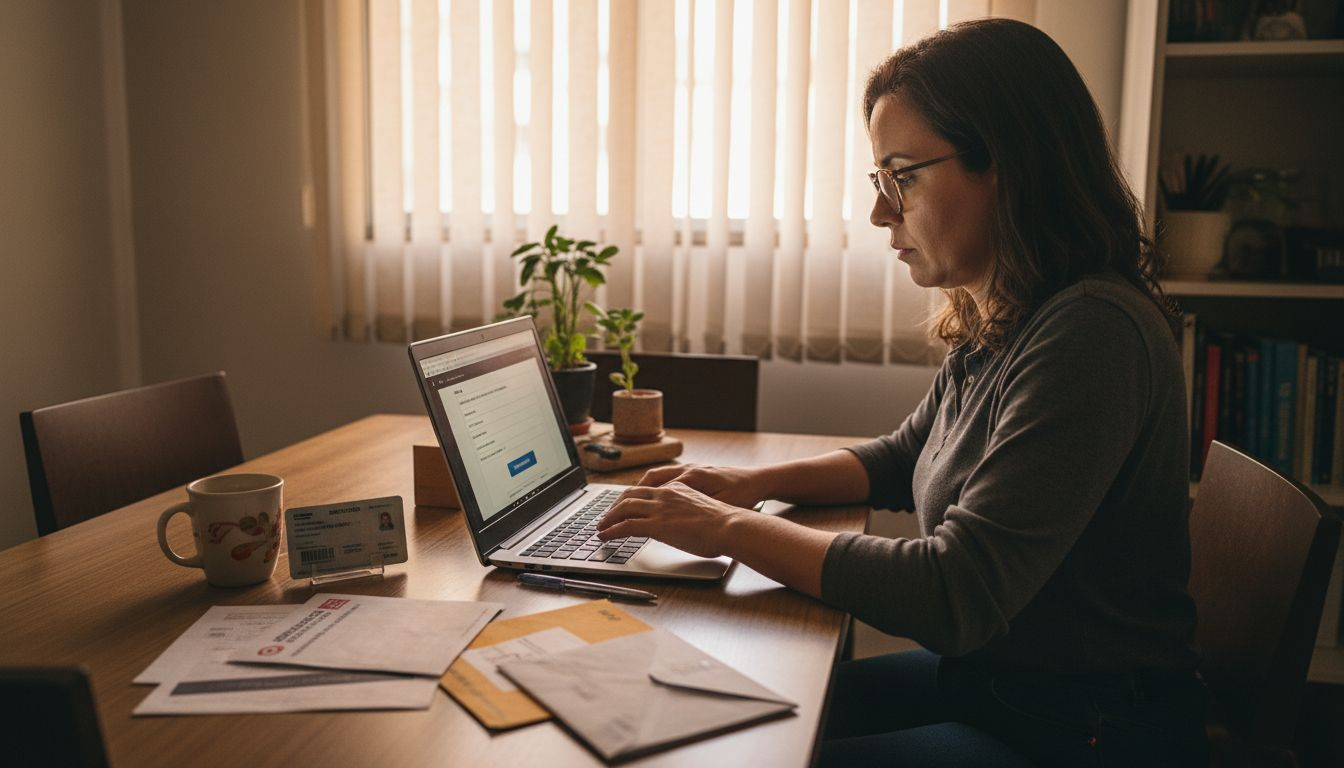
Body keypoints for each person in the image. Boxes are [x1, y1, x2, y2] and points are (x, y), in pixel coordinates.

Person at [596, 18, 1207, 767]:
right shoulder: (1010, 314)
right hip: (1007, 688)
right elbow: (900, 457)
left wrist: (723, 527)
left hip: (1082, 731)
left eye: (902, 177)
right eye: (878, 181)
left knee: (733, 753)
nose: (882, 211)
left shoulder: (1091, 334)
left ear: (1007, 165)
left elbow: (956, 595)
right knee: (701, 716)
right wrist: (745, 484)